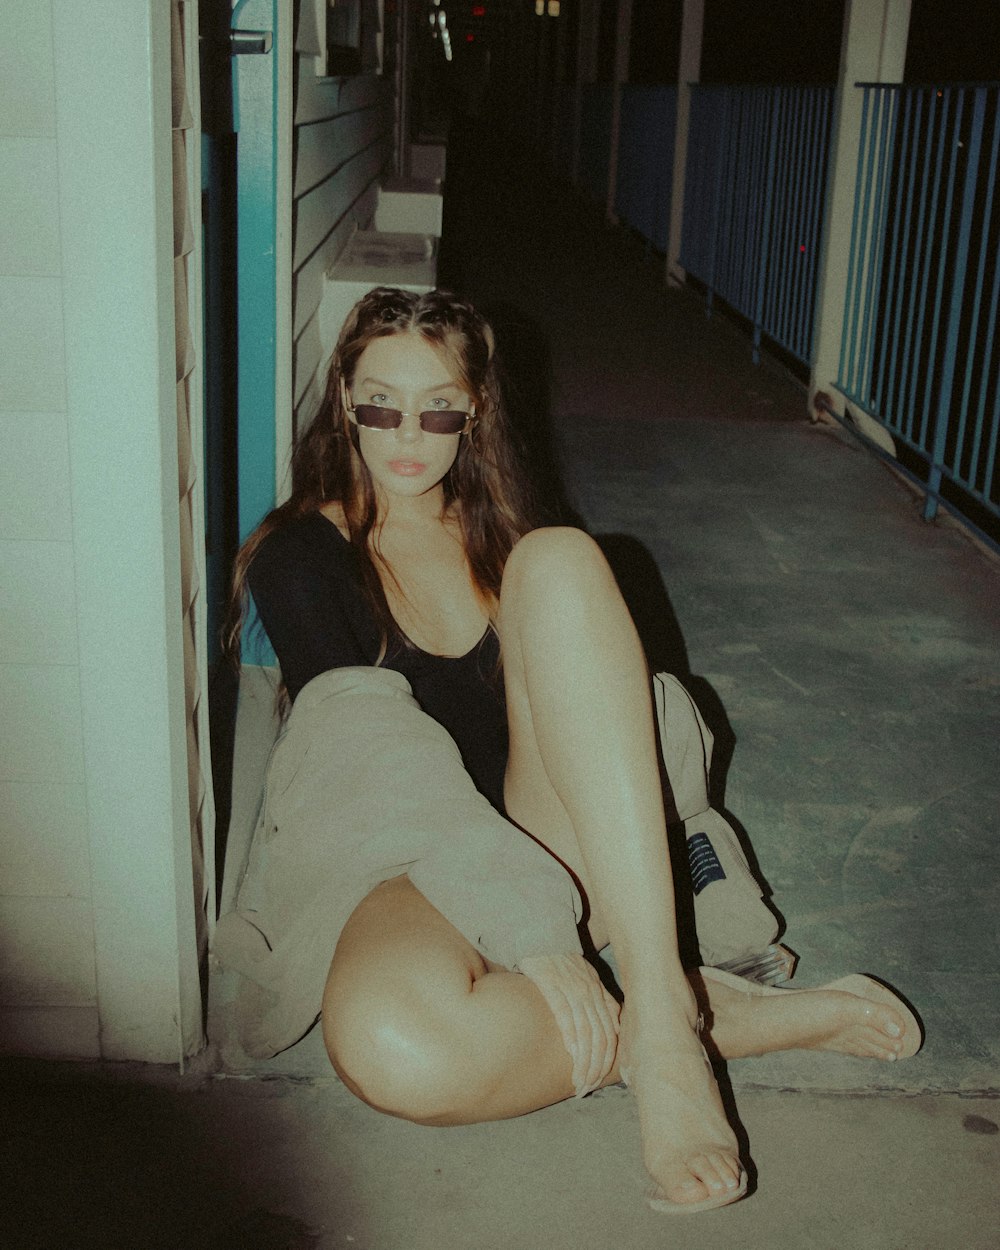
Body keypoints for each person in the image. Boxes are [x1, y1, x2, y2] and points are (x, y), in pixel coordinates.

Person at [217, 287, 922, 1215]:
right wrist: (530, 934)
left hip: (556, 841)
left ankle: (667, 1041)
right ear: (344, 402)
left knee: (564, 559)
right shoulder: (301, 553)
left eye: (439, 408)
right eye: (381, 401)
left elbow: (611, 745)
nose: (407, 433)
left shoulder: (508, 541)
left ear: (474, 415)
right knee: (393, 1045)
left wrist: (574, 914)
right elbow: (366, 750)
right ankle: (718, 1019)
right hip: (403, 860)